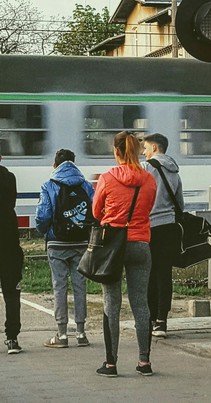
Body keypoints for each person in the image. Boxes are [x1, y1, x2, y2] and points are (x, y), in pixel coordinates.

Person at [92, 131, 156, 378]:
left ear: (116, 151)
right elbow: (148, 208)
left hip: (113, 248)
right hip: (141, 244)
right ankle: (144, 362)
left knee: (112, 302)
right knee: (140, 303)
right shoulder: (149, 180)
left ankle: (110, 364)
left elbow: (96, 212)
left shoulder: (107, 178)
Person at [35, 148, 94, 348]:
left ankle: (61, 335)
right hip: (80, 244)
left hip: (57, 244)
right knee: (80, 286)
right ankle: (81, 333)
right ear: (75, 163)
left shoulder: (48, 185)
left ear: (54, 165)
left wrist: (46, 233)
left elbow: (43, 217)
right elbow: (95, 211)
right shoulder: (85, 185)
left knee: (59, 286)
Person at [142, 133, 184, 338]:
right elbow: (180, 203)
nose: (144, 152)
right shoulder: (174, 171)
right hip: (168, 227)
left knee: (149, 273)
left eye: (146, 148)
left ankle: (149, 319)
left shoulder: (146, 168)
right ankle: (162, 321)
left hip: (149, 227)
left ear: (155, 148)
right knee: (164, 274)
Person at [0, 151, 24, 354]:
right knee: (11, 293)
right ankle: (12, 338)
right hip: (8, 241)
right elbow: (12, 204)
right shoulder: (9, 178)